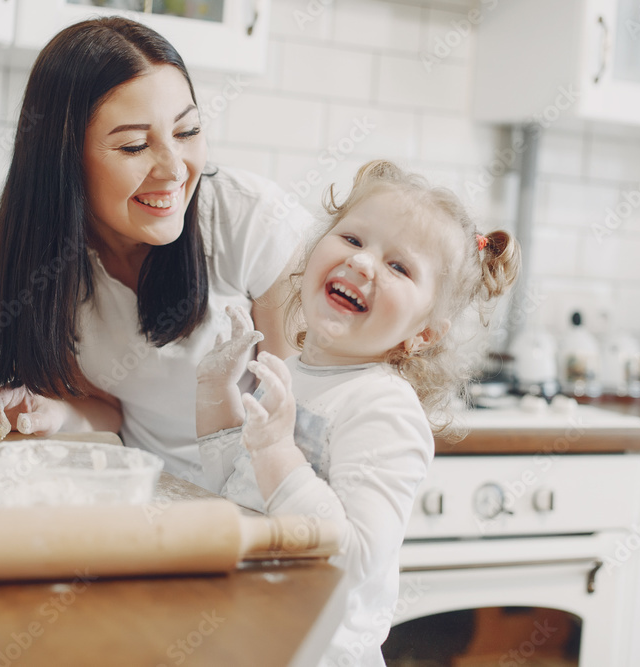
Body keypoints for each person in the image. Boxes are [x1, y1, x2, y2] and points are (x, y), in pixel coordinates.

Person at [0, 18, 311, 484]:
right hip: (148, 495)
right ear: (63, 159)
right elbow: (110, 412)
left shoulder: (249, 220)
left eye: (187, 132)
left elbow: (299, 412)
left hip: (266, 496)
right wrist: (50, 412)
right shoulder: (42, 260)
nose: (174, 169)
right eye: (135, 145)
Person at [195, 160, 521, 667]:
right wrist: (216, 391)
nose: (365, 263)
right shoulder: (291, 370)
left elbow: (355, 560)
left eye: (399, 266)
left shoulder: (384, 410)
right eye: (352, 239)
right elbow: (232, 496)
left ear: (423, 334)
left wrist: (278, 451)